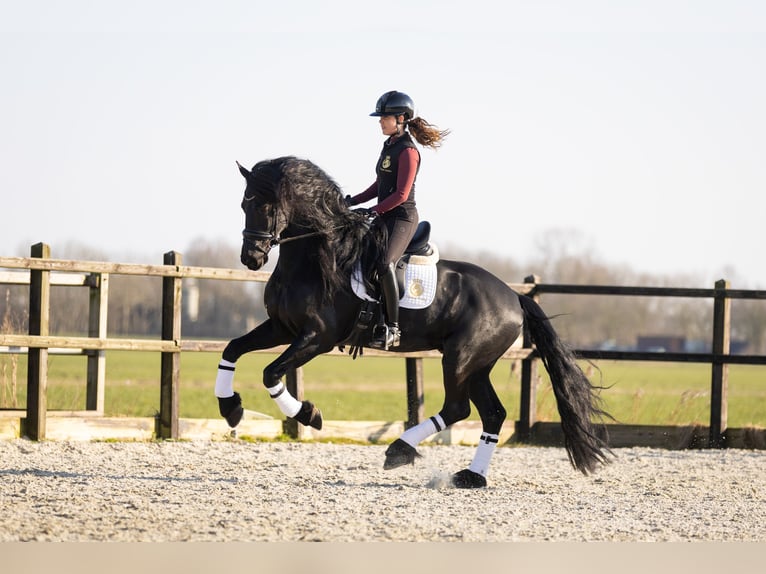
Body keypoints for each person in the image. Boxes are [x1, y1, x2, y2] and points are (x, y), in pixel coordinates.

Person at [346, 90, 450, 350]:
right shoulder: (390, 145)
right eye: (380, 117)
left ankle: (393, 329)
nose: (380, 121)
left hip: (402, 219)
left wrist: (372, 211)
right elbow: (379, 184)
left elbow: (401, 194)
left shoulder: (409, 152)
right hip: (385, 215)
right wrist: (352, 201)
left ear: (401, 118)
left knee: (383, 263)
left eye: (385, 117)